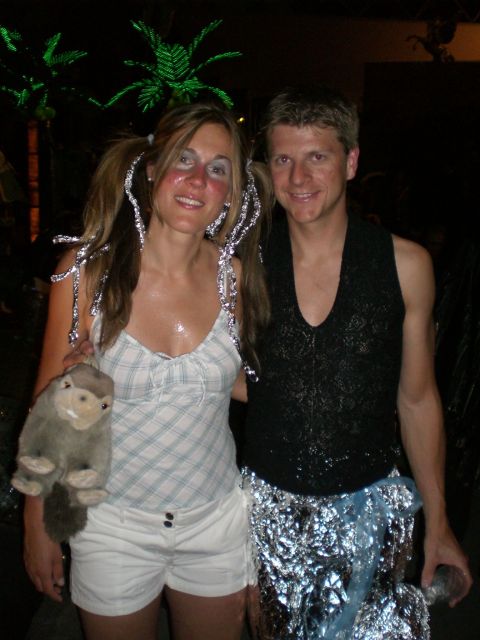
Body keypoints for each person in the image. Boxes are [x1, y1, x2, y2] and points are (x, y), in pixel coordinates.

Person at [22, 102, 271, 640]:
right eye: (184, 159)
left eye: (218, 168)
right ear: (152, 168)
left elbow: (234, 383)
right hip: (113, 523)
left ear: (231, 191)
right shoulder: (87, 273)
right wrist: (38, 522)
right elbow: (49, 406)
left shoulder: (235, 278)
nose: (198, 179)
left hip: (216, 521)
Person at [239, 86, 472, 639]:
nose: (298, 177)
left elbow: (417, 399)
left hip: (371, 513)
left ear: (351, 161)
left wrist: (439, 521)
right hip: (265, 513)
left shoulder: (406, 265)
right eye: (282, 160)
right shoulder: (242, 266)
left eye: (317, 157)